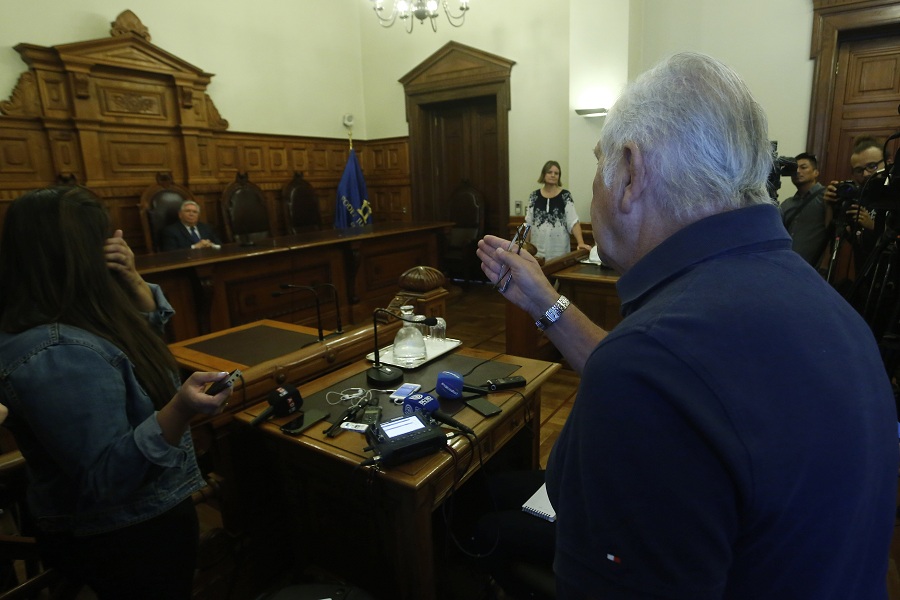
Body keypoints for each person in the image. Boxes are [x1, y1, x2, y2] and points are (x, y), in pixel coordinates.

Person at [477, 52, 898, 599]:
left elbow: (654, 378)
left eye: (599, 162)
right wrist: (544, 301)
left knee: (484, 524)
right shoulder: (830, 308)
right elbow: (687, 382)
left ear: (630, 172)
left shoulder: (651, 365)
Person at [0, 186, 235, 599]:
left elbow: (132, 348)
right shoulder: (56, 352)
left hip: (144, 518)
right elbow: (107, 478)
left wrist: (132, 279)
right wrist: (180, 408)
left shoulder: (75, 312)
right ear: (74, 253)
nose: (115, 246)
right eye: (102, 238)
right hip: (125, 534)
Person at [525, 161, 592, 261]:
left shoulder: (565, 196)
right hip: (537, 251)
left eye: (556, 173)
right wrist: (525, 246)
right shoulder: (534, 196)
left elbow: (573, 222)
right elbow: (528, 224)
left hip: (559, 251)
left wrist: (580, 242)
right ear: (544, 174)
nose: (553, 175)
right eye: (550, 172)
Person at [778, 152, 829, 266]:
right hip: (786, 264)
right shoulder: (787, 204)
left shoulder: (826, 197)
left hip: (813, 267)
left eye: (803, 167)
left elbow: (833, 234)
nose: (798, 171)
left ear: (816, 172)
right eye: (795, 168)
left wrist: (825, 265)